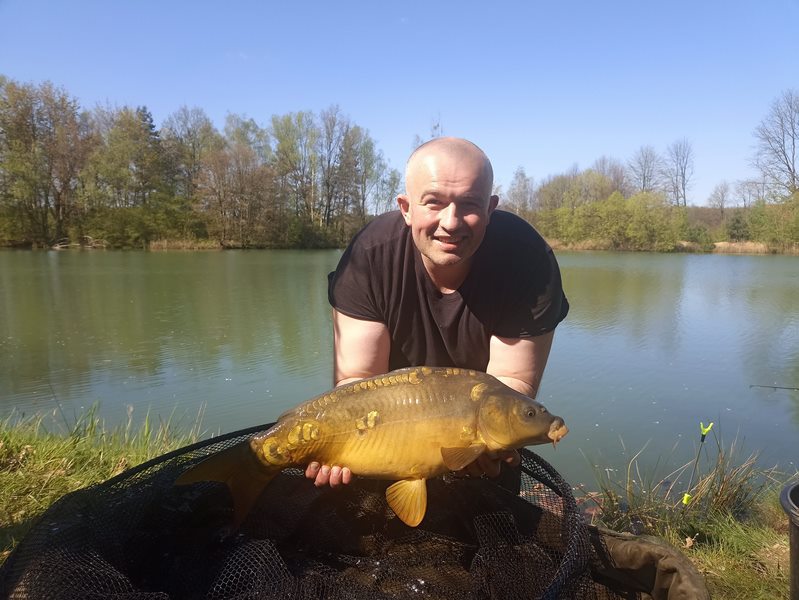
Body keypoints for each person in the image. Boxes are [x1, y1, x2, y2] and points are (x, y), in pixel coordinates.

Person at [305, 137, 569, 488]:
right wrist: (334, 441)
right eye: (434, 203)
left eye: (469, 204)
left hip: (480, 441)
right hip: (383, 436)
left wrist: (476, 443)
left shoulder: (528, 261)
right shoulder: (368, 256)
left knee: (492, 489)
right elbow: (357, 378)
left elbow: (512, 381)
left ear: (491, 208)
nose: (451, 222)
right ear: (406, 207)